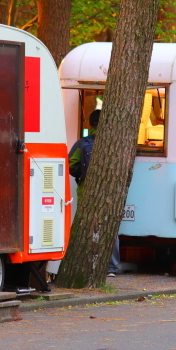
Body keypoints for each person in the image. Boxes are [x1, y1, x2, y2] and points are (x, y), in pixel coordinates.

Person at [68, 109, 120, 278]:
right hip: (111, 193)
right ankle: (110, 268)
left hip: (86, 192)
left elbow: (71, 165)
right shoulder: (115, 143)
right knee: (109, 227)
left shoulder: (82, 143)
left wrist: (81, 176)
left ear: (89, 124)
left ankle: (79, 264)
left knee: (84, 227)